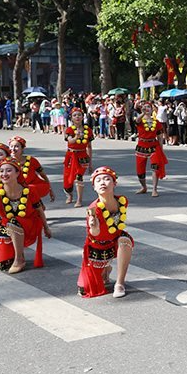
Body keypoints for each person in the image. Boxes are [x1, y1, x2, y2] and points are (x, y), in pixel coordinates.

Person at [0, 158, 51, 273]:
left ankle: (19, 259)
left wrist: (46, 228)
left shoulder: (29, 190)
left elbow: (40, 210)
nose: (4, 174)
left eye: (8, 170)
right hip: (8, 227)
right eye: (1, 171)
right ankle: (17, 253)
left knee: (13, 221)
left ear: (17, 173)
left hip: (30, 225)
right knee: (2, 265)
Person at [77, 166, 133, 298]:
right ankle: (105, 268)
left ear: (114, 184)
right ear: (94, 187)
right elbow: (95, 234)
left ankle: (120, 283)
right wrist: (94, 226)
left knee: (125, 241)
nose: (102, 182)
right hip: (98, 246)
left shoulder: (122, 201)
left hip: (115, 239)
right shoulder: (93, 209)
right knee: (84, 289)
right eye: (98, 181)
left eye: (107, 179)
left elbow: (117, 225)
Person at [134, 101, 168, 197]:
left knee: (155, 167)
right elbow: (137, 120)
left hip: (154, 146)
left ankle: (154, 189)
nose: (147, 108)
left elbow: (160, 136)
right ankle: (144, 187)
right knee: (140, 171)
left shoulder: (156, 122)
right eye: (144, 107)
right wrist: (143, 113)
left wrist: (161, 148)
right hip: (142, 146)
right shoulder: (140, 120)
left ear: (152, 109)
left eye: (148, 107)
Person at [62, 107, 94, 207]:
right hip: (71, 156)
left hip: (83, 156)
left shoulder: (88, 130)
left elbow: (89, 146)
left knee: (78, 177)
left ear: (83, 117)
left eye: (79, 115)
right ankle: (69, 195)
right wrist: (76, 137)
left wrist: (90, 163)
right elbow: (70, 140)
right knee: (68, 180)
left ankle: (79, 200)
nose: (77, 117)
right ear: (71, 118)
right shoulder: (69, 130)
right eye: (75, 115)